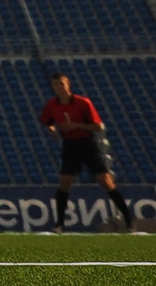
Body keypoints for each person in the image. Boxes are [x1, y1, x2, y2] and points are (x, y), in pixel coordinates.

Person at [42, 73, 133, 232]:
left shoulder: (83, 102)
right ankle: (59, 225)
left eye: (61, 83)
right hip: (70, 145)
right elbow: (47, 121)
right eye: (55, 84)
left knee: (106, 181)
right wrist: (53, 130)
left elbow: (98, 126)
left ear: (68, 84)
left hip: (87, 143)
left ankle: (129, 221)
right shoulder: (52, 105)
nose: (58, 87)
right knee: (64, 182)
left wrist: (76, 125)